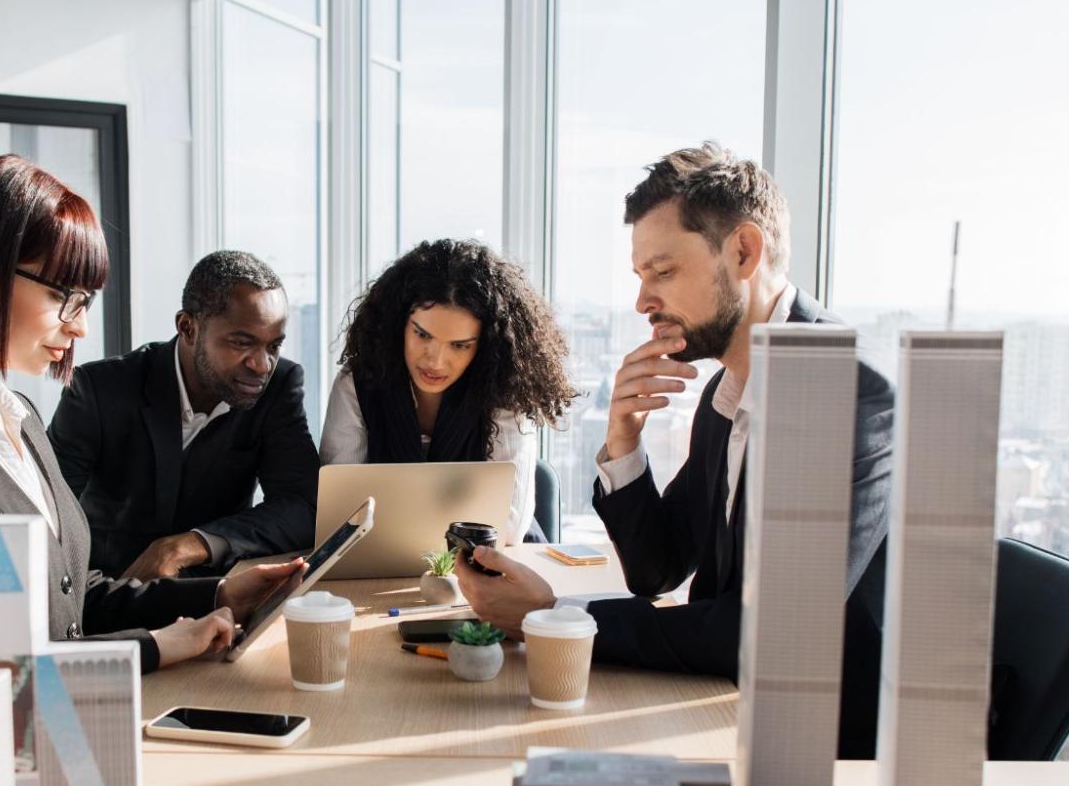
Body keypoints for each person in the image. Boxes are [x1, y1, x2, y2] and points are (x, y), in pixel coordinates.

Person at [453, 143, 895, 755]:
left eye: (663, 273)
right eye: (641, 278)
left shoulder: (844, 387)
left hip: (821, 750)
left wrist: (556, 615)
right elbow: (661, 570)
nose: (643, 302)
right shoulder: (730, 388)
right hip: (723, 708)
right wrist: (623, 442)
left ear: (744, 251)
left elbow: (776, 634)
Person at [0, 154, 301, 675]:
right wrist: (155, 647)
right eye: (62, 295)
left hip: (61, 725)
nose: (80, 327)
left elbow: (70, 598)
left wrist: (218, 593)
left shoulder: (13, 416)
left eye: (85, 300)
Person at [49, 250, 319, 580]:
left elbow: (303, 507)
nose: (262, 365)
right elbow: (48, 517)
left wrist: (189, 545)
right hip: (110, 600)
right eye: (241, 342)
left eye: (274, 346)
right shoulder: (97, 390)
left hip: (216, 596)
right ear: (187, 327)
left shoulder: (278, 388)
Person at [320, 238, 576, 538]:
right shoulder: (357, 383)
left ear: (484, 346)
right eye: (422, 335)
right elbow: (340, 511)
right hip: (381, 557)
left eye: (459, 345)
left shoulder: (504, 388)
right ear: (397, 324)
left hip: (493, 558)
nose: (436, 361)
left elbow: (509, 526)